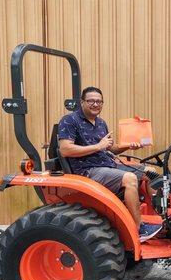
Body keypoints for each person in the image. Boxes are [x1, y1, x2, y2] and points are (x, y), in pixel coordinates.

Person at [58, 86, 162, 241]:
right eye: (91, 101)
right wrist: (98, 146)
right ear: (82, 102)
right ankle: (140, 228)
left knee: (150, 172)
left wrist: (129, 144)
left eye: (99, 101)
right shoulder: (70, 120)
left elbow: (110, 149)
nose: (95, 104)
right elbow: (65, 149)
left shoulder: (100, 123)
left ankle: (159, 218)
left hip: (107, 165)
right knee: (130, 179)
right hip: (87, 170)